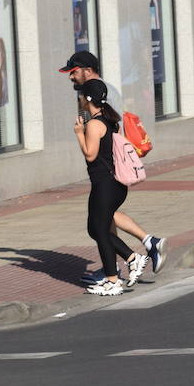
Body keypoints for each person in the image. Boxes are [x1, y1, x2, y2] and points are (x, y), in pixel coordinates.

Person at [59, 50, 165, 286]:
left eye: (73, 72)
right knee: (101, 223)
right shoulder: (100, 91)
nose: (71, 77)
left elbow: (101, 142)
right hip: (109, 172)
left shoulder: (98, 94)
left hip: (110, 172)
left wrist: (82, 135)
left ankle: (120, 266)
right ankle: (130, 256)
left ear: (87, 70)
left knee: (100, 223)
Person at [73, 79, 133, 296]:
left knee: (99, 230)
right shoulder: (108, 120)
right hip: (112, 184)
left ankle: (113, 279)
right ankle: (131, 259)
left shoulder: (94, 124)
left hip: (105, 185)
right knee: (96, 229)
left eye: (80, 96)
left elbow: (90, 154)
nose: (78, 99)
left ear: (88, 99)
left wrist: (79, 133)